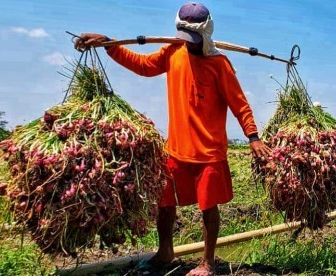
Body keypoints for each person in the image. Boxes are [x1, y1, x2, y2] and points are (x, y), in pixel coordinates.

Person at [75, 2, 272, 275]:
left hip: (209, 152)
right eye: (184, 38)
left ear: (205, 34)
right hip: (176, 149)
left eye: (193, 40)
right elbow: (143, 65)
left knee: (208, 207)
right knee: (164, 203)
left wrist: (253, 137)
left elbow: (240, 105)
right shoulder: (173, 51)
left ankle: (208, 262)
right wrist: (110, 44)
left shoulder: (219, 64)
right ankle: (165, 250)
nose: (188, 44)